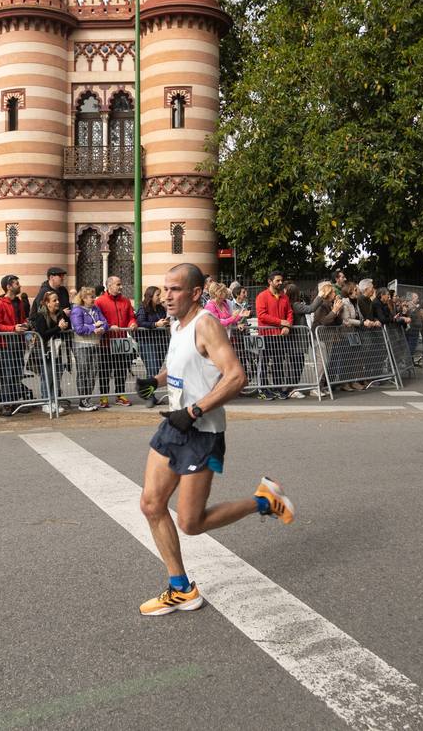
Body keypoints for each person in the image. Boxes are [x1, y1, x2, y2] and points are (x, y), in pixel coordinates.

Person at [133, 263, 296, 616]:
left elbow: (237, 376)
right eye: (164, 289)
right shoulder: (177, 325)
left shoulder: (206, 323)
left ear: (194, 293)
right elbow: (179, 368)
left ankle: (265, 501)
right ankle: (181, 589)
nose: (166, 296)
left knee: (191, 523)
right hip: (173, 427)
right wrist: (155, 381)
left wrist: (194, 412)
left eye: (175, 289)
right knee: (151, 505)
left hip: (201, 433)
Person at [0, 274, 34, 412]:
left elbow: (21, 318)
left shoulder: (19, 302)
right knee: (8, 374)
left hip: (19, 342)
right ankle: (7, 403)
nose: (19, 285)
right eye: (16, 284)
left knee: (17, 373)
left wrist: (25, 325)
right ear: (9, 287)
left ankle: (16, 402)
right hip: (6, 344)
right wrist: (13, 328)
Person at [96, 275, 139, 407]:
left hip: (121, 340)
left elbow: (131, 317)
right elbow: (98, 318)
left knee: (121, 370)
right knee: (105, 370)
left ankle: (120, 395)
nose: (121, 287)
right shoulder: (100, 301)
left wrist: (133, 323)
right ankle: (103, 397)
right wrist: (108, 326)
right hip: (105, 342)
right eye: (118, 284)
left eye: (120, 284)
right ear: (109, 286)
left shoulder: (126, 301)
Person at [30, 289, 72, 416]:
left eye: (57, 300)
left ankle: (54, 400)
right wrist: (58, 328)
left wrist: (64, 325)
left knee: (57, 376)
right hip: (46, 350)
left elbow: (67, 327)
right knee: (47, 376)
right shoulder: (40, 316)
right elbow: (43, 334)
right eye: (54, 300)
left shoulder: (61, 314)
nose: (57, 302)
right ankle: (46, 402)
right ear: (47, 303)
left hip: (59, 350)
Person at [69, 286, 108, 411]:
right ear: (84, 298)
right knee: (83, 372)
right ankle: (82, 400)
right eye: (91, 297)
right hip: (82, 345)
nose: (94, 299)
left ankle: (88, 398)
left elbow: (105, 322)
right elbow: (78, 328)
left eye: (94, 296)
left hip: (95, 344)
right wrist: (93, 327)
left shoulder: (96, 309)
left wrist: (102, 328)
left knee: (93, 372)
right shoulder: (77, 310)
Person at [135, 285, 170, 389]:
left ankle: (149, 393)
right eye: (157, 295)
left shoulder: (160, 308)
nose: (160, 297)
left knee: (155, 369)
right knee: (152, 368)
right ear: (150, 296)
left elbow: (163, 319)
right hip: (147, 342)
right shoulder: (143, 307)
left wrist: (166, 323)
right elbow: (140, 322)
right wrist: (155, 324)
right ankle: (148, 395)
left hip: (161, 342)